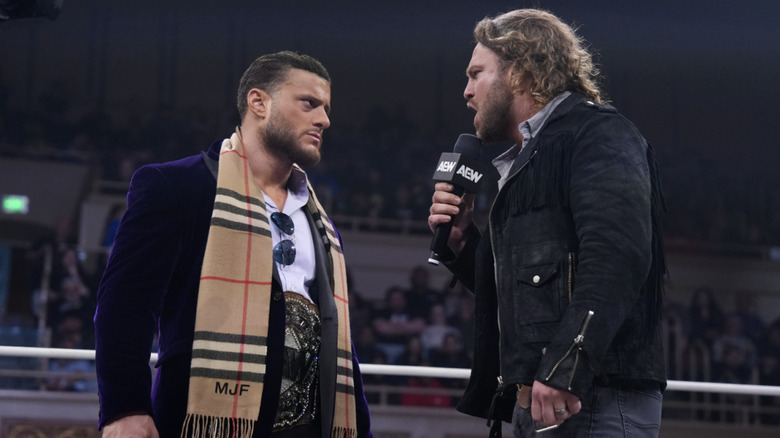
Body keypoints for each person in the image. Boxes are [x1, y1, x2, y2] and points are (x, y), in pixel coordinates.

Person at [94, 51, 372, 438]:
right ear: (259, 102)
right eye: (309, 103)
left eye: (325, 108)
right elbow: (124, 307)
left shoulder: (319, 216)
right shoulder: (176, 188)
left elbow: (338, 337)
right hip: (206, 422)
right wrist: (125, 409)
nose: (324, 119)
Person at [427, 9, 666, 437]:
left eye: (476, 74)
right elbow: (532, 292)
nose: (466, 92)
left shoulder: (598, 134)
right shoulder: (527, 160)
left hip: (590, 397)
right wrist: (462, 244)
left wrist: (565, 366)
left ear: (519, 72)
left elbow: (617, 258)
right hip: (537, 398)